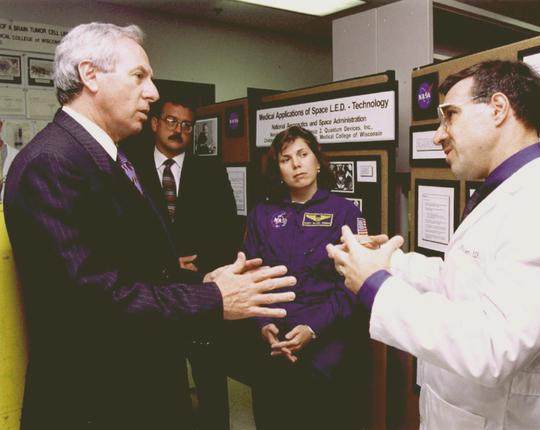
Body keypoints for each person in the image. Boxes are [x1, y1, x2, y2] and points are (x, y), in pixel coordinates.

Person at [2, 22, 296, 430]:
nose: (153, 92)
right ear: (90, 75)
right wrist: (213, 300)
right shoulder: (53, 163)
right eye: (139, 75)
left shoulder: (102, 157)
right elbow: (92, 302)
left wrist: (205, 280)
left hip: (135, 393)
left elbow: (133, 268)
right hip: (95, 404)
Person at [327, 60, 540, 429]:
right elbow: (466, 280)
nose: (438, 135)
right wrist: (390, 263)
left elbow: (493, 348)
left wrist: (376, 286)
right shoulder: (508, 194)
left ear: (498, 108)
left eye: (450, 115)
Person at [128, 94, 242, 429]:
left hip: (201, 288)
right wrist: (167, 261)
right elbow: (124, 230)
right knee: (162, 380)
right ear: (155, 124)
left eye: (187, 125)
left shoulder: (210, 170)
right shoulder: (129, 168)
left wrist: (202, 265)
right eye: (171, 121)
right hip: (153, 291)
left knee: (210, 380)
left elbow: (227, 227)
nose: (179, 130)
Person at [245, 126, 368, 430]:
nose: (296, 164)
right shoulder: (262, 214)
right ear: (278, 169)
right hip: (274, 345)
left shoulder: (347, 214)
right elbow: (250, 275)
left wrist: (313, 328)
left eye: (303, 155)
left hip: (327, 346)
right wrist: (263, 326)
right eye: (286, 159)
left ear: (317, 161)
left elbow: (354, 284)